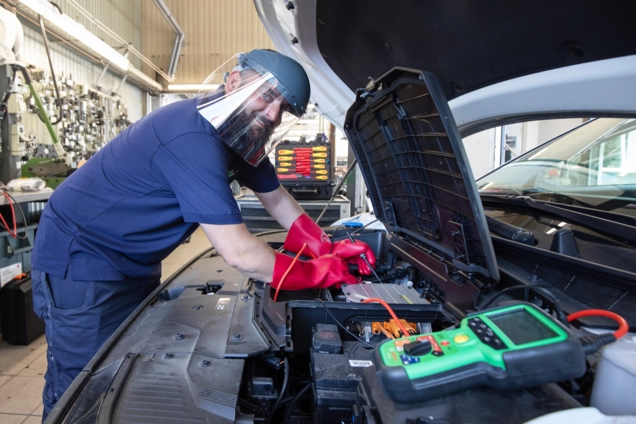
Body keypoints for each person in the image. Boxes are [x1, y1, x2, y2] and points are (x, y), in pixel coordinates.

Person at [30, 49, 375, 420]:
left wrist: (325, 247)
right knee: (81, 383)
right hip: (83, 257)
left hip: (134, 259)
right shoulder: (191, 135)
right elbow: (239, 252)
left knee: (124, 368)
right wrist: (315, 272)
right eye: (267, 95)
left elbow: (276, 198)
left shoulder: (240, 137)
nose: (274, 113)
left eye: (284, 108)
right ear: (233, 82)